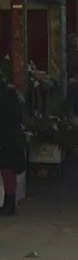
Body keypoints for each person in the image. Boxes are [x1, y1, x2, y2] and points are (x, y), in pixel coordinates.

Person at [0, 81, 24, 216]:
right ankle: (9, 204)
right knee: (9, 172)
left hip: (7, 140)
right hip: (12, 139)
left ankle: (9, 205)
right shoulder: (12, 97)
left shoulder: (4, 97)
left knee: (7, 170)